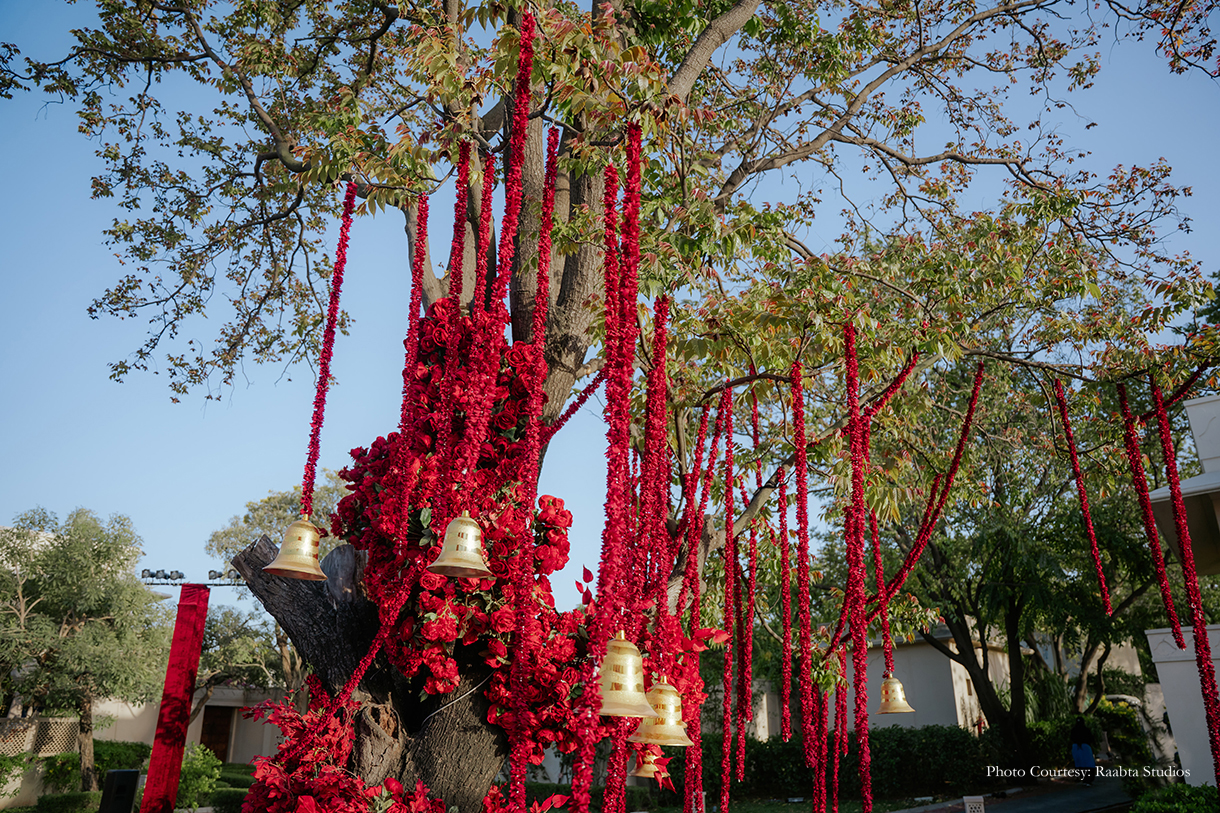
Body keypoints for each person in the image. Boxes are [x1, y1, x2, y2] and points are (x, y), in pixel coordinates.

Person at [1070, 716, 1096, 786]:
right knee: (1088, 764)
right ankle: (1088, 780)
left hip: (1076, 747)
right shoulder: (1086, 730)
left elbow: (1071, 738)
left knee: (1079, 764)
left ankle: (1083, 779)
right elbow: (1091, 738)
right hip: (1085, 747)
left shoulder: (1073, 730)